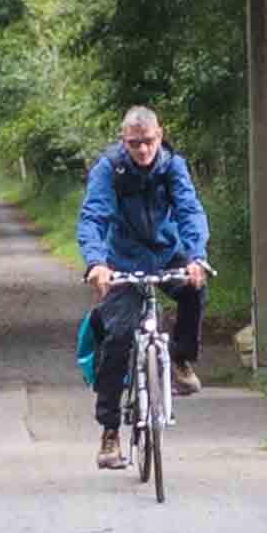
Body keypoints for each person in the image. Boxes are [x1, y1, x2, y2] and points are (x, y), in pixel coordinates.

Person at [77, 107, 210, 470]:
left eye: (148, 142)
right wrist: (96, 263)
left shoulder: (173, 166)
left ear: (159, 135)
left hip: (167, 252)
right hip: (123, 260)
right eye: (134, 144)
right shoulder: (110, 168)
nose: (142, 150)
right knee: (117, 336)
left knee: (194, 290)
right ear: (124, 141)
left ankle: (180, 360)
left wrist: (197, 257)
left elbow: (189, 211)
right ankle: (109, 432)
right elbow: (94, 216)